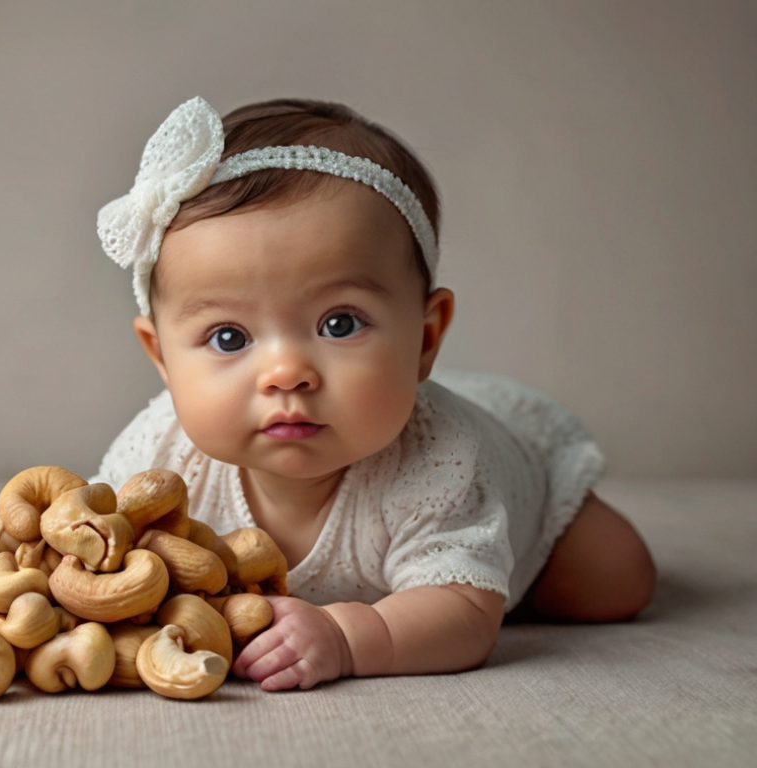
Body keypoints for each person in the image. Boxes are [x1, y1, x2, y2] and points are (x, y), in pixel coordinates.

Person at [91, 97, 656, 691]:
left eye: (340, 324)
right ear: (162, 357)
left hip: (518, 490)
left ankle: (506, 556)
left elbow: (464, 618)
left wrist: (351, 637)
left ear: (425, 338)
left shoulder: (442, 462)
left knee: (616, 581)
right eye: (229, 337)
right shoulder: (160, 459)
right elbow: (98, 543)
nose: (286, 373)